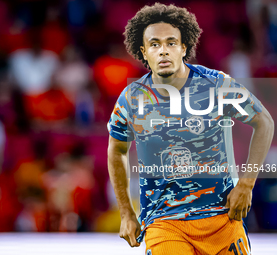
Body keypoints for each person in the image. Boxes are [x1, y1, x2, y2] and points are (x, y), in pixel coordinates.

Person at [107, 3, 274, 255]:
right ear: (143, 51)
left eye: (171, 42)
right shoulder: (131, 99)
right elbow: (117, 149)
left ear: (184, 47)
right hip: (164, 223)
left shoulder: (217, 84)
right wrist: (126, 211)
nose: (163, 51)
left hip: (223, 218)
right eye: (154, 44)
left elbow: (264, 123)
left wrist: (246, 184)